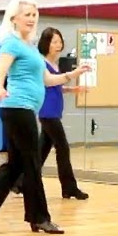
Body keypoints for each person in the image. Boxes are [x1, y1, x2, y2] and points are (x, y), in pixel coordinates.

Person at [0, 0, 87, 235]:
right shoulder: (11, 44)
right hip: (17, 108)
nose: (31, 19)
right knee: (31, 163)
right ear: (14, 19)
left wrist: (73, 74)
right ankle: (39, 218)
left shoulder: (30, 47)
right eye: (27, 15)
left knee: (15, 165)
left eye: (34, 15)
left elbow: (47, 80)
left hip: (23, 109)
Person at [36, 26, 87, 200]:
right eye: (54, 42)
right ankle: (69, 187)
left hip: (54, 110)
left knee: (41, 151)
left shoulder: (54, 63)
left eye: (60, 41)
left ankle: (20, 183)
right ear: (46, 44)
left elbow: (55, 86)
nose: (58, 45)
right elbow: (48, 82)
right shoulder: (41, 63)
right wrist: (72, 74)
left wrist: (71, 90)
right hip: (47, 111)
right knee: (63, 147)